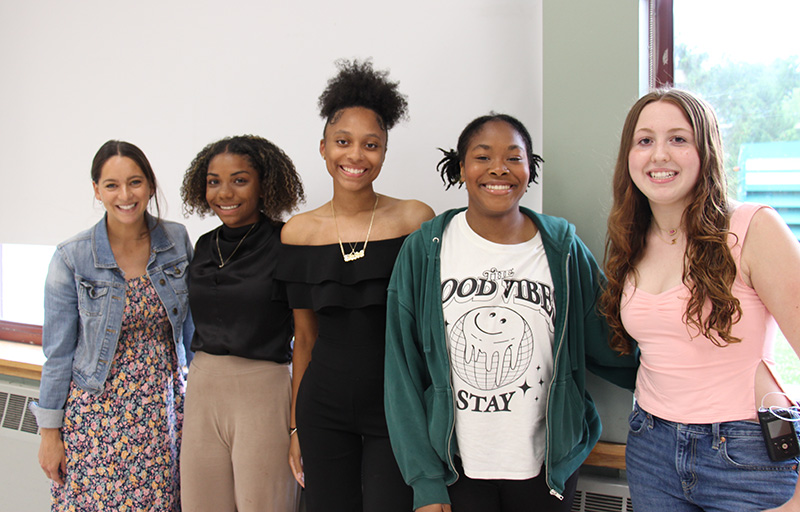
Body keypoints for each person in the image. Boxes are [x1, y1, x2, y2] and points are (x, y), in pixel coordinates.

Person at [383, 113, 638, 512]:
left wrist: (679, 379)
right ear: (461, 168)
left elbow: (609, 342)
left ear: (529, 169)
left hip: (544, 467)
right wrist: (425, 482)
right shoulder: (425, 249)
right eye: (483, 157)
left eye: (514, 158)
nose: (499, 168)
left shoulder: (563, 250)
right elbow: (402, 373)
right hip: (456, 468)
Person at [599, 88, 800, 512]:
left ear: (705, 151)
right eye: (645, 140)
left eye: (678, 139)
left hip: (746, 453)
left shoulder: (752, 228)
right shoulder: (630, 240)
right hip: (651, 446)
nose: (659, 155)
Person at [276, 59, 434, 512]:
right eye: (343, 142)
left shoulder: (415, 219)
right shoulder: (298, 233)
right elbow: (303, 339)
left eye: (371, 145)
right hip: (322, 406)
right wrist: (294, 430)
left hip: (396, 405)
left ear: (384, 153)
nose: (355, 156)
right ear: (323, 148)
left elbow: (429, 332)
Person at [31, 140, 193, 511]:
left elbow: (193, 334)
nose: (125, 195)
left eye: (135, 182)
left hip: (162, 412)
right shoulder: (72, 257)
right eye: (112, 185)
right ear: (96, 190)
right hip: (96, 418)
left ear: (150, 185)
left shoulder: (176, 241)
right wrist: (50, 434)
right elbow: (57, 354)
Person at [179, 135, 305, 512]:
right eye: (214, 181)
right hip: (202, 390)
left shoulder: (287, 242)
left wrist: (298, 426)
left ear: (263, 184)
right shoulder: (202, 246)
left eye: (239, 179)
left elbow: (308, 338)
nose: (224, 192)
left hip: (262, 392)